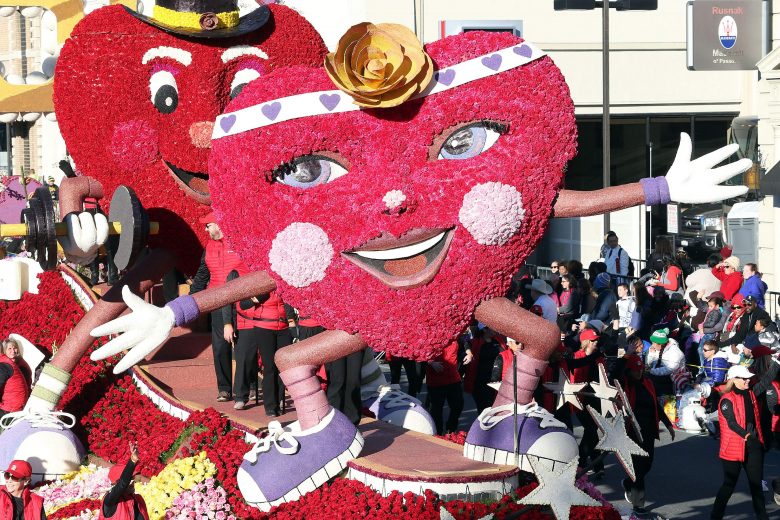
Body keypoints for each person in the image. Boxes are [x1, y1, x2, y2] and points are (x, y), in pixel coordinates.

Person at [612, 337, 675, 511]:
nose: (638, 373)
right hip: (632, 431)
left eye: (640, 370)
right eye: (635, 370)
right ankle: (638, 504)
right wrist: (626, 356)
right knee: (639, 469)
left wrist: (668, 425)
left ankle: (628, 482)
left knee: (647, 465)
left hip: (648, 431)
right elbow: (614, 374)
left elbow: (656, 405)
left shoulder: (648, 383)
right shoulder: (624, 384)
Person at [189, 213, 243, 402]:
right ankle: (224, 388)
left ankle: (250, 386)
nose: (205, 229)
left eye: (208, 225)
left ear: (219, 224)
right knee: (220, 347)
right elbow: (202, 276)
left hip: (240, 302)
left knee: (244, 347)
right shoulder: (208, 248)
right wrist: (190, 300)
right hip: (218, 302)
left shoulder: (239, 243)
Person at [711, 365, 769, 520]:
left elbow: (765, 382)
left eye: (748, 378)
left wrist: (776, 362)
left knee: (756, 486)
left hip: (753, 446)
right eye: (743, 378)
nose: (747, 381)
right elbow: (732, 423)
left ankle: (763, 517)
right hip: (733, 448)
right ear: (733, 380)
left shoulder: (751, 393)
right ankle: (715, 517)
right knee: (728, 486)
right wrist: (748, 436)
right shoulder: (726, 400)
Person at [101, 442, 148, 520]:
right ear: (115, 484)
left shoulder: (138, 499)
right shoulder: (110, 501)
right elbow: (122, 484)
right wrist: (132, 461)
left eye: (132, 479)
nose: (132, 482)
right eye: (129, 479)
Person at [425, 341, 464, 435]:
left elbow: (466, 342)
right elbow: (418, 351)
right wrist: (430, 362)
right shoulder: (430, 336)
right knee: (437, 409)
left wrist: (469, 352)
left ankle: (451, 428)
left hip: (453, 378)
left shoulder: (455, 337)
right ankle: (437, 432)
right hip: (436, 380)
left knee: (458, 405)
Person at [644, 328, 685, 397]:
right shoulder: (656, 348)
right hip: (657, 374)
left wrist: (651, 371)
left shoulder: (675, 353)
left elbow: (668, 369)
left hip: (672, 379)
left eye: (654, 343)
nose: (652, 345)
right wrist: (651, 354)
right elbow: (648, 363)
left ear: (661, 344)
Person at [0, 337, 32, 418]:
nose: (13, 351)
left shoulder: (17, 365)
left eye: (15, 348)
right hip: (16, 403)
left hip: (14, 407)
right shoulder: (11, 363)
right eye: (9, 348)